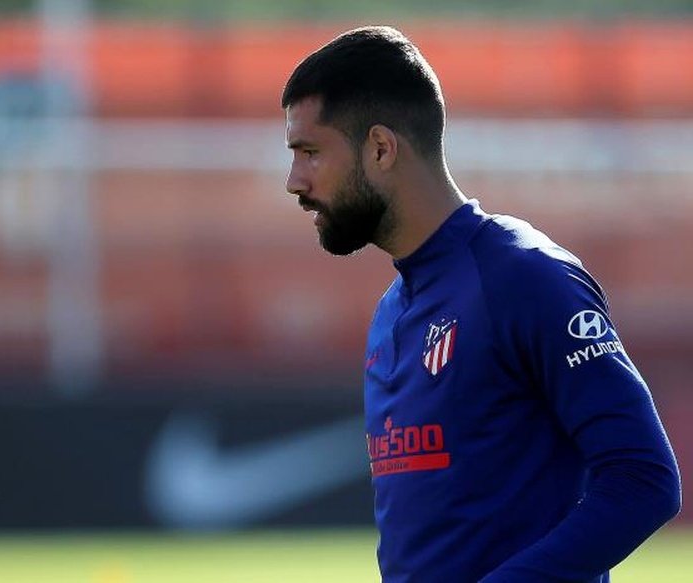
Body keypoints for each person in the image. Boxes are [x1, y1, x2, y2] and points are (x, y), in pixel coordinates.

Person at [281, 26, 681, 582]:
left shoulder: (526, 277)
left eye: (309, 152)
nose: (293, 181)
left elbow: (644, 480)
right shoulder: (391, 315)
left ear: (380, 148)